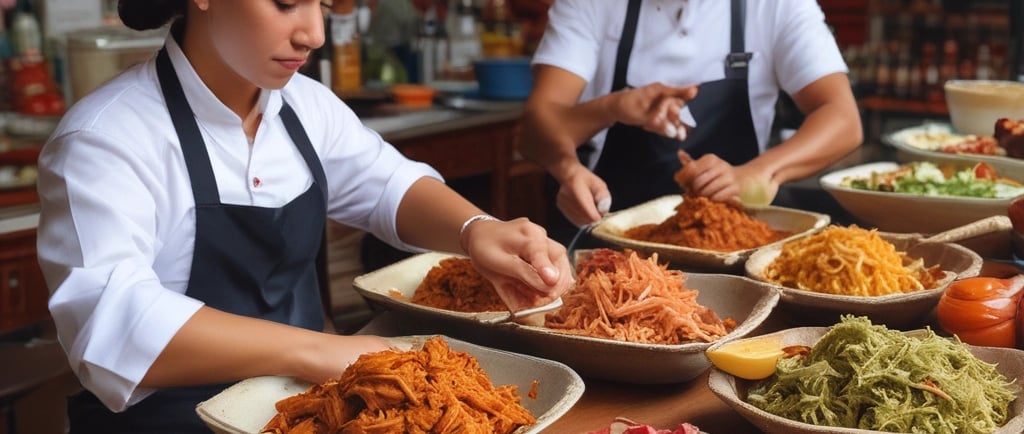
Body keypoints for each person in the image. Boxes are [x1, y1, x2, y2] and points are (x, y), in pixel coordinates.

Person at [35, 0, 573, 432]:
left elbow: (387, 183)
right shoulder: (106, 139)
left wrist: (476, 231)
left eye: (323, 4)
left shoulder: (304, 107)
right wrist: (321, 351)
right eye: (287, 3)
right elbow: (111, 323)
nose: (313, 32)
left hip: (307, 413)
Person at [519, 0, 863, 231]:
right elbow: (536, 127)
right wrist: (611, 110)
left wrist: (760, 172)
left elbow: (842, 117)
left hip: (735, 238)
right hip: (609, 234)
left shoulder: (776, 5)